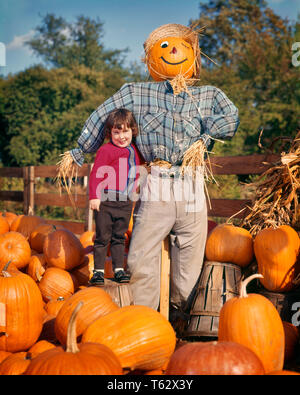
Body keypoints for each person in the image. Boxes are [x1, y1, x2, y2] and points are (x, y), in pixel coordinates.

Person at [61, 23, 239, 322]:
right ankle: (144, 320)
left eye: (180, 46)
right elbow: (102, 116)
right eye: (164, 46)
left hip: (192, 184)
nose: (172, 50)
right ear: (152, 59)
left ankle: (182, 317)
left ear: (194, 55)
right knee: (141, 256)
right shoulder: (135, 93)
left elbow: (231, 117)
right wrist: (81, 150)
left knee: (191, 260)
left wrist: (207, 134)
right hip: (156, 181)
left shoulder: (208, 95)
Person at [88, 108, 141, 285]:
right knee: (102, 237)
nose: (121, 136)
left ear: (132, 130)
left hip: (125, 202)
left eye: (125, 131)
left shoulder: (134, 150)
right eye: (116, 132)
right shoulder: (106, 150)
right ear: (110, 132)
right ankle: (98, 272)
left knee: (119, 237)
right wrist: (94, 196)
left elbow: (137, 172)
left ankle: (118, 269)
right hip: (106, 201)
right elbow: (96, 174)